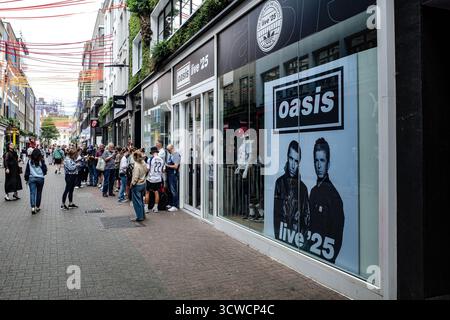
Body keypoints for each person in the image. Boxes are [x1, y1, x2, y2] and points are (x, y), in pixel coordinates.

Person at [308, 138, 344, 264]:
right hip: (310, 254)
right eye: (316, 160)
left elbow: (336, 239)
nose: (318, 165)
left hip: (323, 260)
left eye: (322, 161)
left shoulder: (334, 198)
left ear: (328, 164)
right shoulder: (312, 192)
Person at [273, 141, 310, 249]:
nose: (293, 165)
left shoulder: (303, 189)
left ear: (299, 162)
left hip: (296, 240)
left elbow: (306, 220)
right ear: (287, 158)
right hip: (282, 236)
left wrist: (301, 243)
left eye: (296, 161)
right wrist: (278, 237)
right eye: (291, 159)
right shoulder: (279, 183)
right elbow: (276, 215)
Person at [24, 148, 48, 214]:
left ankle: (32, 207)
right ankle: (37, 207)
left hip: (31, 178)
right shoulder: (41, 161)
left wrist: (26, 179)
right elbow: (45, 170)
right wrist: (43, 173)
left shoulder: (29, 161)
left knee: (32, 193)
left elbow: (27, 171)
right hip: (40, 178)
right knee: (39, 192)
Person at [130, 151, 148, 222]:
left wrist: (132, 183)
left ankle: (139, 217)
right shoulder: (143, 163)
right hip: (143, 183)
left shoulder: (136, 165)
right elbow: (146, 170)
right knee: (140, 200)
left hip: (137, 185)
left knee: (137, 202)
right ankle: (142, 215)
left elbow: (135, 177)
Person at [146, 146, 164, 213]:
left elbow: (148, 169)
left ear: (152, 152)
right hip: (158, 179)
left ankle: (146, 208)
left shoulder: (150, 159)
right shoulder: (161, 160)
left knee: (147, 192)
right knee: (156, 192)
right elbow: (163, 170)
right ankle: (155, 208)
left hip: (150, 178)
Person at [165, 144, 180, 212]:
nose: (168, 151)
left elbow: (176, 166)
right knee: (170, 190)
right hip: (169, 174)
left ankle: (175, 205)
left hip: (173, 175)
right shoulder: (171, 155)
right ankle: (171, 203)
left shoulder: (176, 155)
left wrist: (167, 165)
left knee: (173, 190)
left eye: (169, 150)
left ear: (172, 148)